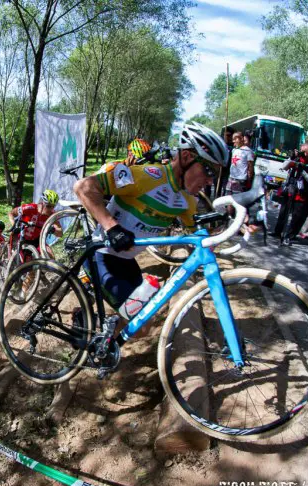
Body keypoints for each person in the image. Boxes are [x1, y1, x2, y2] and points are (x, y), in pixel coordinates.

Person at [73, 121, 227, 340]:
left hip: (126, 262)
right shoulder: (145, 176)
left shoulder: (187, 201)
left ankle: (95, 327)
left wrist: (233, 224)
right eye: (209, 170)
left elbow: (200, 240)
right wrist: (112, 227)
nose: (211, 180)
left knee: (143, 326)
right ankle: (88, 327)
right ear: (186, 157)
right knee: (139, 322)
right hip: (102, 257)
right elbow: (83, 187)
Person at [272, 142, 308, 243]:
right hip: (290, 189)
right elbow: (284, 167)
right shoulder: (297, 158)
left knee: (296, 217)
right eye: (304, 152)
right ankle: (277, 232)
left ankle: (289, 236)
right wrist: (291, 158)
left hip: (302, 193)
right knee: (283, 212)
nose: (306, 155)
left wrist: (303, 171)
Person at [8, 190, 62, 256]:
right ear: (42, 202)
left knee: (50, 255)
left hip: (36, 240)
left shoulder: (52, 215)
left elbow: (60, 233)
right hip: (21, 236)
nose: (50, 209)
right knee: (18, 259)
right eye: (48, 206)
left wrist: (53, 230)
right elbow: (11, 213)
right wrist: (14, 225)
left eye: (53, 206)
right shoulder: (30, 208)